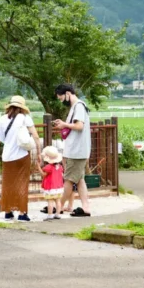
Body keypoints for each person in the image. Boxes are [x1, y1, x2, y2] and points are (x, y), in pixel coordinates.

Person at [0, 95, 42, 221]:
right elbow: (36, 136)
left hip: (7, 156)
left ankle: (8, 212)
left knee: (8, 184)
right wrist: (39, 152)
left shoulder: (2, 119)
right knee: (21, 184)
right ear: (22, 107)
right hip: (22, 155)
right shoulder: (25, 118)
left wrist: (10, 142)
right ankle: (22, 213)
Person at [52, 84, 92, 217]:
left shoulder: (79, 106)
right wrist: (63, 125)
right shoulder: (76, 107)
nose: (61, 101)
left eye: (61, 97)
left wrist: (64, 124)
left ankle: (58, 206)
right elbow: (74, 127)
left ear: (68, 93)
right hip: (77, 150)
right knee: (80, 180)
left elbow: (79, 126)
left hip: (77, 151)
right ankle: (85, 208)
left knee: (68, 179)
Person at [39, 146, 64, 221]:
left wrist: (38, 168)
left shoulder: (48, 167)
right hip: (58, 187)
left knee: (50, 201)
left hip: (50, 187)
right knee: (58, 201)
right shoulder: (59, 166)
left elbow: (43, 175)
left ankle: (50, 215)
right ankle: (57, 214)